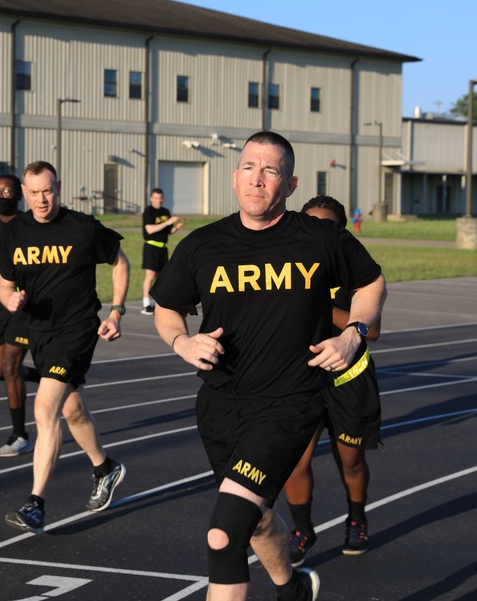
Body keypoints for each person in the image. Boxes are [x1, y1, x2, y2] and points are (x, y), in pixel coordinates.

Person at [150, 131, 386, 601]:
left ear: (291, 184)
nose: (258, 179)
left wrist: (352, 334)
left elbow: (372, 283)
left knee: (224, 533)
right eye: (250, 168)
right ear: (234, 178)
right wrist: (182, 341)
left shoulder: (320, 237)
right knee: (255, 519)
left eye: (271, 170)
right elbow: (167, 307)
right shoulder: (202, 245)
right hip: (219, 405)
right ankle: (292, 587)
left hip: (290, 403)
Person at [0, 160, 130, 534]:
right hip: (39, 331)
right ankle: (105, 468)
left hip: (77, 328)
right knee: (73, 408)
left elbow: (119, 262)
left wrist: (116, 312)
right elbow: (5, 284)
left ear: (59, 187)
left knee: (45, 408)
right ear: (24, 192)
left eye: (48, 191)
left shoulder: (81, 227)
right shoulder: (12, 234)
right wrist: (10, 302)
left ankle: (35, 503)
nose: (41, 199)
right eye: (34, 192)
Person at [283, 195, 383, 566]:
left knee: (351, 462)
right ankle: (302, 529)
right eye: (308, 224)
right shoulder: (286, 268)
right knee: (295, 461)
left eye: (325, 225)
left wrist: (319, 306)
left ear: (339, 232)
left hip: (349, 382)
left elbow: (371, 329)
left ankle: (356, 518)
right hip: (301, 382)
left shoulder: (355, 271)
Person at [0, 175, 39, 457]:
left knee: (11, 367)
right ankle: (45, 376)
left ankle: (20, 436)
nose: (1, 195)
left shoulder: (27, 226)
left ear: (19, 195)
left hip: (23, 304)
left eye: (7, 191)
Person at [140, 188, 184, 315]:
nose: (159, 200)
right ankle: (146, 304)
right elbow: (150, 230)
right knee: (150, 275)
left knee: (161, 277)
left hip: (163, 247)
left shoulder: (165, 211)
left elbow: (169, 231)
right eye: (156, 198)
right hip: (151, 246)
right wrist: (168, 222)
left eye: (161, 198)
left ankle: (156, 303)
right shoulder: (149, 211)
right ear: (151, 198)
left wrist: (175, 227)